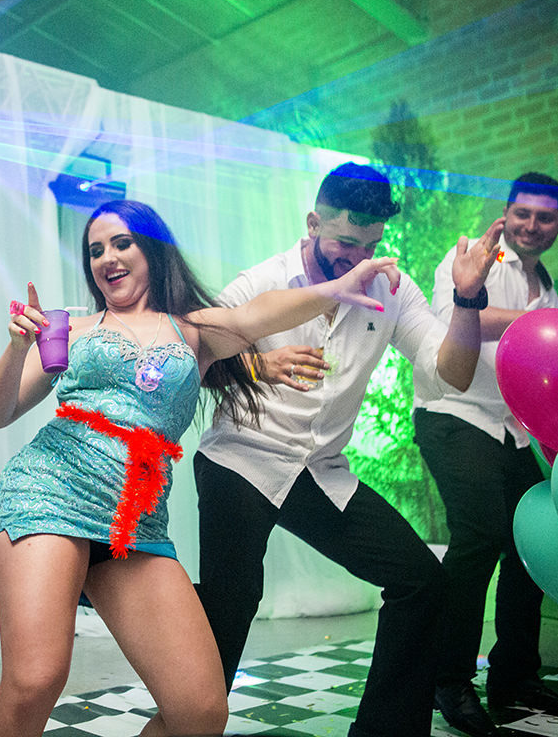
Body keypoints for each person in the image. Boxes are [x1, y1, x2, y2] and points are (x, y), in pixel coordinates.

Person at [0, 198, 407, 737]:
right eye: (95, 250)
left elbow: (258, 313)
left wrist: (336, 288)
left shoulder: (195, 330)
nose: (107, 258)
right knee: (36, 679)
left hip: (135, 522)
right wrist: (19, 348)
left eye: (122, 243)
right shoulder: (73, 327)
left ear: (153, 250)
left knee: (200, 712)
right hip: (50, 494)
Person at [192, 162, 504, 737]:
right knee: (230, 600)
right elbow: (194, 357)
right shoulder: (261, 281)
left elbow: (453, 373)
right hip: (242, 457)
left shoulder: (392, 288)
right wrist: (258, 364)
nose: (358, 259)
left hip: (319, 470)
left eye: (370, 245)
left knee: (421, 582)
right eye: (344, 243)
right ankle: (188, 724)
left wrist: (467, 298)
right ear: (313, 223)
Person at [414, 172, 558, 737]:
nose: (532, 225)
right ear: (505, 214)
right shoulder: (475, 257)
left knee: (530, 543)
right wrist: (544, 323)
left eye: (545, 217)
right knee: (480, 534)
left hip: (514, 430)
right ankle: (448, 679)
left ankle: (515, 677)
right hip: (455, 413)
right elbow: (460, 319)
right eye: (523, 213)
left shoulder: (548, 286)